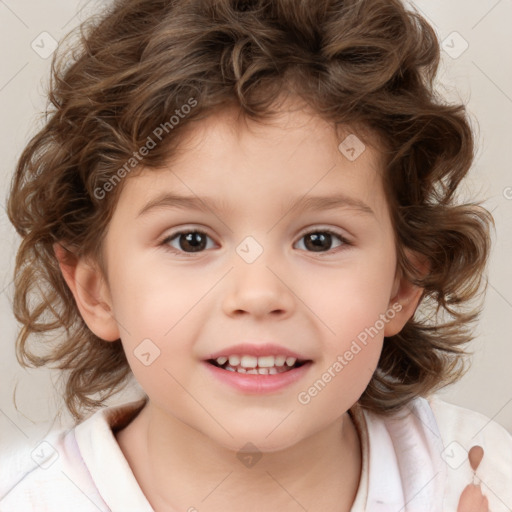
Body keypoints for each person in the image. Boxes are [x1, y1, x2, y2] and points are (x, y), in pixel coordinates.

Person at [0, 0, 511, 510]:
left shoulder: (479, 474)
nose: (259, 294)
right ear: (96, 290)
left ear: (401, 286)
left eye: (320, 240)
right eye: (191, 240)